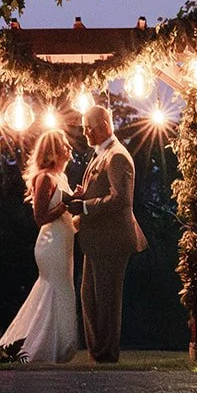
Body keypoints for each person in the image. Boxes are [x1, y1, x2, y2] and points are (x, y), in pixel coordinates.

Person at [67, 105, 148, 363]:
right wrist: (84, 195)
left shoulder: (117, 156)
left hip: (112, 240)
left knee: (107, 299)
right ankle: (97, 352)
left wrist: (86, 207)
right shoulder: (100, 154)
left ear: (104, 125)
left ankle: (107, 353)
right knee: (90, 297)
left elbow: (121, 199)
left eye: (88, 128)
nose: (85, 133)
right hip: (97, 240)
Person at [0, 128, 80, 363]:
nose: (70, 148)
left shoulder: (61, 179)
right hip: (50, 243)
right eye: (65, 144)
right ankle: (39, 346)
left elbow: (66, 218)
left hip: (63, 242)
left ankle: (57, 345)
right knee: (54, 290)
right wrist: (67, 204)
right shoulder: (44, 178)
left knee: (62, 291)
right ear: (54, 151)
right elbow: (41, 217)